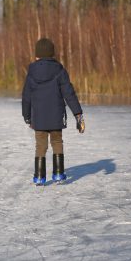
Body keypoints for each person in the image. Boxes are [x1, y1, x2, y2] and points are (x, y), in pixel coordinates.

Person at [22, 38, 85, 186]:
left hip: (38, 118)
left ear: (37, 55)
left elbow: (26, 97)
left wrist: (27, 117)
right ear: (52, 54)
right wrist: (78, 114)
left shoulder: (31, 73)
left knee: (40, 145)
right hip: (56, 116)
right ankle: (58, 174)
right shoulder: (59, 70)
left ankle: (39, 177)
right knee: (57, 142)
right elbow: (69, 93)